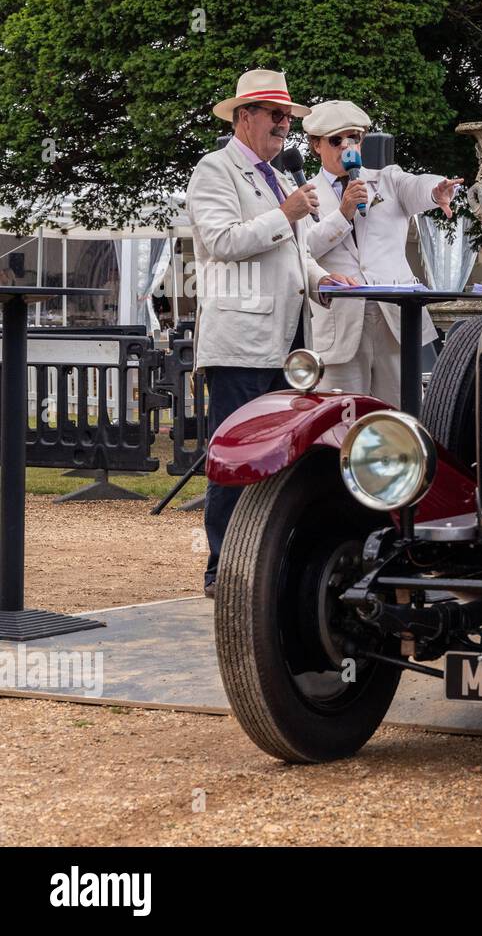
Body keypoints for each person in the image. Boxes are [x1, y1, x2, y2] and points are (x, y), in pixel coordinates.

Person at [187, 70, 357, 598]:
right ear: (243, 117)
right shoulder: (214, 171)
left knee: (278, 456)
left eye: (288, 116)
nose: (285, 124)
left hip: (284, 343)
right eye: (275, 114)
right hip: (239, 341)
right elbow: (221, 242)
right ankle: (223, 567)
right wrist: (285, 215)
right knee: (236, 455)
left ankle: (264, 560)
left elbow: (297, 254)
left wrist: (324, 281)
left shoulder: (277, 177)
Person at [301, 100, 462, 404]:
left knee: (401, 414)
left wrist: (436, 190)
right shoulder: (305, 193)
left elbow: (416, 186)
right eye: (336, 140)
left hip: (394, 318)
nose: (347, 147)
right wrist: (343, 213)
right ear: (315, 145)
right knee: (341, 416)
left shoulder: (386, 179)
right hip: (340, 323)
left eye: (354, 138)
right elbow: (302, 249)